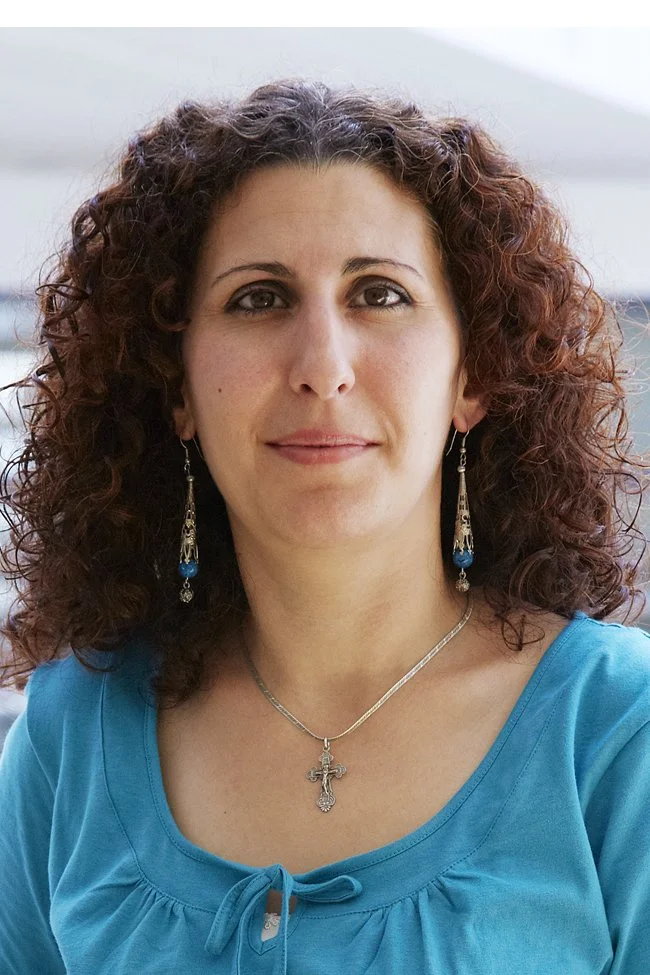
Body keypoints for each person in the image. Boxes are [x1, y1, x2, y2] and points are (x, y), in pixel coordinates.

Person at [0, 78, 649, 975]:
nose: (322, 365)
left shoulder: (618, 730)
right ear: (177, 388)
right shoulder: (68, 734)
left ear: (472, 377)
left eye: (379, 294)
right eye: (258, 298)